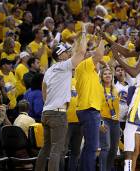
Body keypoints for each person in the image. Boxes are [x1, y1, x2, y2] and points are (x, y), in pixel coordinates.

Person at [105, 30, 140, 171]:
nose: (133, 42)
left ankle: (128, 168)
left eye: (135, 40)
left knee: (129, 130)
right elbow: (128, 53)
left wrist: (117, 58)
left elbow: (134, 72)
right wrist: (107, 38)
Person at [35, 34, 87, 171]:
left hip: (46, 112)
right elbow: (81, 53)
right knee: (56, 149)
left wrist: (50, 104)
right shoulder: (65, 66)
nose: (68, 53)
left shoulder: (49, 71)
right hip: (58, 114)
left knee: (45, 148)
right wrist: (84, 35)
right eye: (65, 52)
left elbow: (44, 90)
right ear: (60, 55)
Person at [75, 38, 105, 171]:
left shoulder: (94, 76)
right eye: (93, 58)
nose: (96, 61)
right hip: (88, 110)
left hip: (91, 111)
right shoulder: (84, 66)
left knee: (89, 146)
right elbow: (99, 55)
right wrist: (103, 40)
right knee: (92, 147)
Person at [99, 67, 120, 171]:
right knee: (105, 147)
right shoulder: (98, 89)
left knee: (114, 149)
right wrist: (100, 123)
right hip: (104, 119)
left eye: (109, 74)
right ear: (101, 77)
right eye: (105, 74)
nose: (107, 75)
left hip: (115, 121)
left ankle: (108, 168)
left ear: (112, 76)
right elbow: (96, 108)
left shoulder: (115, 89)